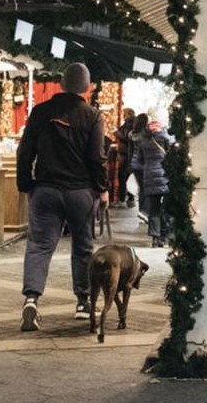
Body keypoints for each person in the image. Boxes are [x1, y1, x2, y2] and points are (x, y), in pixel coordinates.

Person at [15, 63, 106, 332]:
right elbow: (96, 158)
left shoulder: (41, 112)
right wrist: (102, 189)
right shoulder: (93, 116)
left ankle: (31, 299)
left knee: (39, 246)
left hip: (46, 189)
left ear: (62, 84)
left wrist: (27, 185)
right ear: (87, 87)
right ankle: (83, 302)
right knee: (83, 247)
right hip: (80, 192)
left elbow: (25, 151)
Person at [130, 110, 174, 248]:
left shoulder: (144, 140)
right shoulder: (166, 138)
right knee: (167, 208)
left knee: (154, 209)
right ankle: (165, 236)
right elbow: (173, 155)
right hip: (165, 176)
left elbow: (140, 160)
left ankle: (155, 238)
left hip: (149, 176)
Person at [115, 108, 136, 208]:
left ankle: (123, 199)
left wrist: (117, 133)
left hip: (126, 154)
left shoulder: (129, 125)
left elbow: (127, 137)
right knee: (127, 176)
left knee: (123, 176)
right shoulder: (131, 124)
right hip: (127, 153)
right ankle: (129, 199)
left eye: (124, 113)